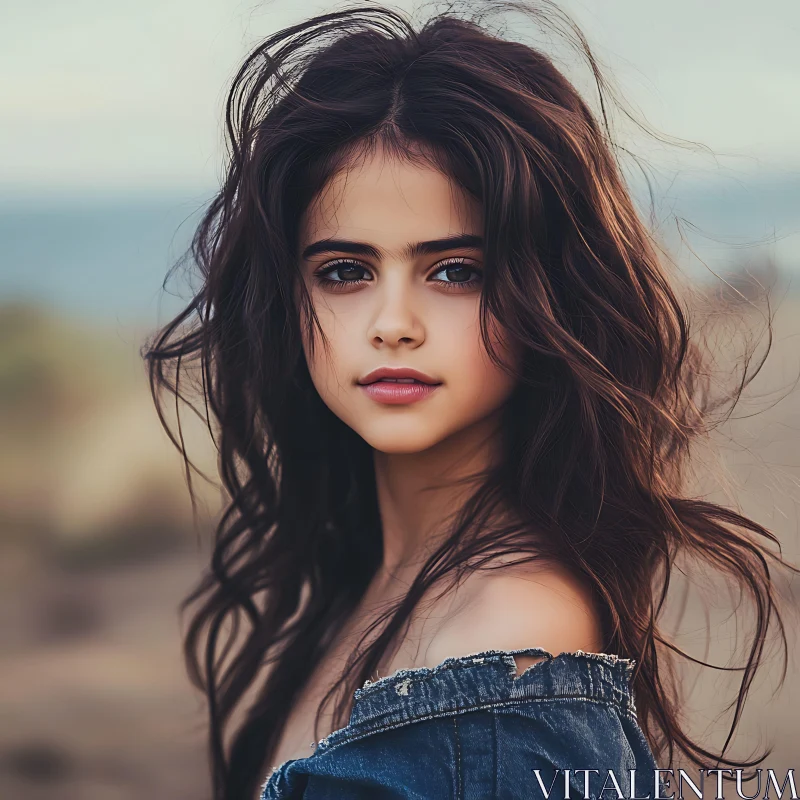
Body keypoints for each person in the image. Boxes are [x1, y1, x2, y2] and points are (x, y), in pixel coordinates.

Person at [142, 2, 797, 798]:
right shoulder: (357, 577)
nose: (392, 326)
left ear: (545, 293)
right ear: (290, 296)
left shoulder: (507, 642)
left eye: (455, 270)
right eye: (344, 271)